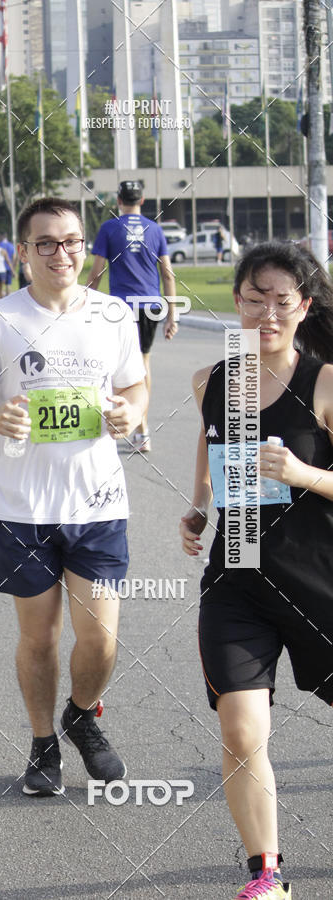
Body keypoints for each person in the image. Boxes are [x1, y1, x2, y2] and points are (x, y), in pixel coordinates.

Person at [0, 197, 147, 796]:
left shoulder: (114, 315)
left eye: (71, 242)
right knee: (39, 639)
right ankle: (42, 746)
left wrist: (126, 414)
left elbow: (136, 389)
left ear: (84, 247)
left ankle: (82, 714)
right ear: (24, 252)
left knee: (102, 638)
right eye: (46, 244)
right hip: (20, 509)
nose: (61, 253)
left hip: (97, 503)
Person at [179, 241, 333, 900]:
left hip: (320, 579)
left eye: (280, 300)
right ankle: (266, 875)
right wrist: (196, 507)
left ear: (302, 307)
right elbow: (211, 441)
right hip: (236, 574)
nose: (266, 312)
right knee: (243, 731)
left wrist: (303, 474)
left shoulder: (325, 383)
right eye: (253, 298)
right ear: (235, 302)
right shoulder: (213, 380)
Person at [88, 180, 178, 452]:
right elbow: (168, 274)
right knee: (143, 363)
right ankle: (143, 430)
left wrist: (83, 304)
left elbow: (96, 273)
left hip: (120, 307)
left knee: (117, 366)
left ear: (118, 200)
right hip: (150, 304)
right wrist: (172, 314)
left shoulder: (109, 228)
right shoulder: (155, 229)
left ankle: (128, 423)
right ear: (142, 200)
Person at [0, 230, 16, 297]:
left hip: (1, 268)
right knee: (8, 284)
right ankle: (8, 297)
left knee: (1, 285)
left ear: (2, 236)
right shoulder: (11, 245)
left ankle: (1, 298)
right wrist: (13, 267)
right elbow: (14, 257)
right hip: (9, 267)